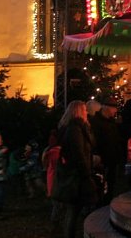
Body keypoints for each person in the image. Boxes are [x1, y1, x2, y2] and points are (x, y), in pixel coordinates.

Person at [57, 100, 97, 238]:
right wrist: (86, 173)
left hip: (76, 173)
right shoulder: (75, 130)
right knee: (73, 210)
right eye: (84, 110)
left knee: (74, 209)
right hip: (76, 175)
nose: (87, 112)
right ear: (79, 111)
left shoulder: (77, 128)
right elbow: (78, 153)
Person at [90, 98, 123, 203]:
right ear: (107, 108)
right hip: (102, 160)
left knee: (111, 184)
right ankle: (100, 203)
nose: (115, 111)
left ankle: (108, 201)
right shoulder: (96, 123)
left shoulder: (111, 122)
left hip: (112, 159)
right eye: (114, 108)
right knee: (102, 184)